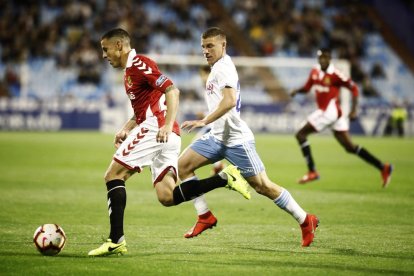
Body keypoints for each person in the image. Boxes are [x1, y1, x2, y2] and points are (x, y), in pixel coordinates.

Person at [88, 28, 251, 257]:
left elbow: (172, 90)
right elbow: (140, 111)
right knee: (166, 196)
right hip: (163, 131)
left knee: (113, 175)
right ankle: (224, 178)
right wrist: (125, 128)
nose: (104, 55)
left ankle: (116, 240)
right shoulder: (129, 73)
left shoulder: (139, 64)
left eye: (105, 49)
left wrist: (166, 124)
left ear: (118, 46)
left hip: (158, 128)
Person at [179, 27, 319, 247]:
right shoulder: (217, 67)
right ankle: (204, 216)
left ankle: (305, 219)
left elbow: (229, 101)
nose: (205, 51)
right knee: (183, 166)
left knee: (263, 186)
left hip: (236, 140)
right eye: (203, 47)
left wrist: (204, 121)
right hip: (217, 137)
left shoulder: (224, 68)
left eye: (210, 46)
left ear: (223, 46)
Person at [290, 48, 393, 187]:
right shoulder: (315, 71)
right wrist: (297, 91)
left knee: (300, 134)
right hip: (332, 115)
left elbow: (354, 88)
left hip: (330, 112)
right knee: (350, 147)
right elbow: (308, 87)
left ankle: (312, 171)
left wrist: (354, 110)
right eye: (321, 57)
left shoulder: (336, 74)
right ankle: (383, 167)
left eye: (326, 57)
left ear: (330, 59)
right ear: (318, 58)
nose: (323, 60)